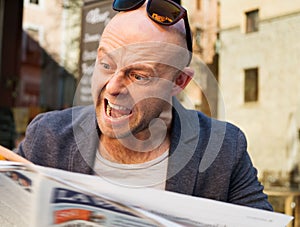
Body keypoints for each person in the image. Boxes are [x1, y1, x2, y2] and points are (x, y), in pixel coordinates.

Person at [15, 0, 273, 211]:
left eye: (138, 76)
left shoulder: (224, 151)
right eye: (106, 65)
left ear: (179, 82)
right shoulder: (47, 137)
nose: (113, 87)